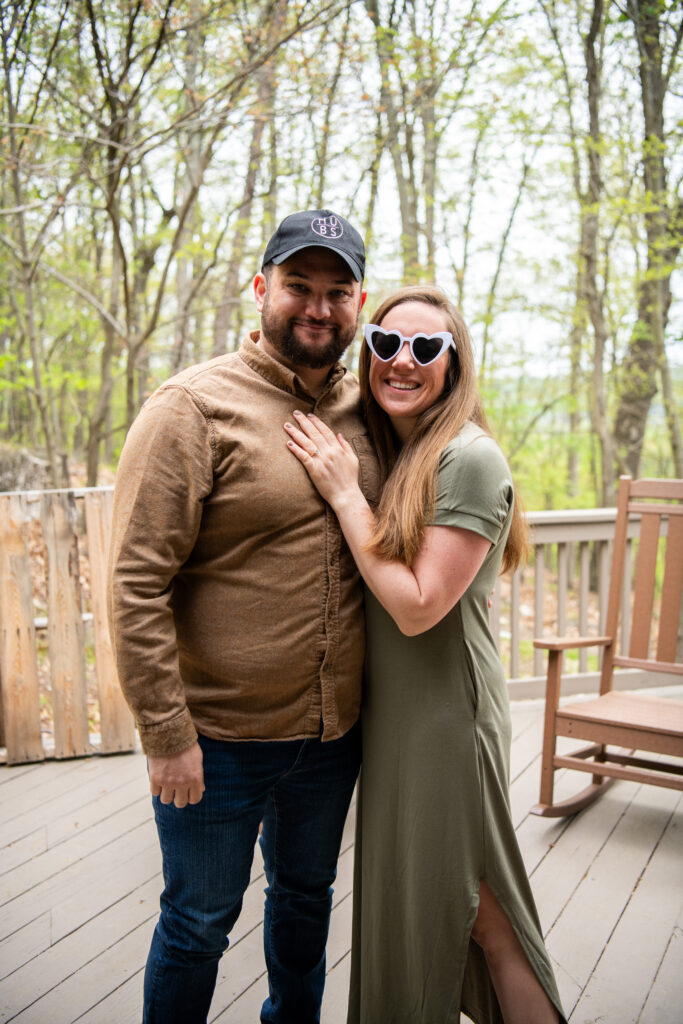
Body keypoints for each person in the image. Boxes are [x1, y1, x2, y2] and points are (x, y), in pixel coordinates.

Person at [107, 209, 379, 1024]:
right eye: (299, 285)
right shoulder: (189, 407)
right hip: (216, 741)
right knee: (197, 923)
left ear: (358, 303)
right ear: (261, 288)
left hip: (331, 737)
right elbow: (133, 583)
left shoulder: (366, 412)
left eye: (337, 292)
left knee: (305, 901)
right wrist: (166, 734)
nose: (317, 307)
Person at [284, 284, 566, 1024]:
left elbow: (416, 607)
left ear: (454, 362)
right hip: (401, 723)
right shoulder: (406, 452)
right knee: (456, 906)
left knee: (483, 912)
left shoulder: (468, 459)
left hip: (448, 722)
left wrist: (347, 497)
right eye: (383, 344)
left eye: (424, 347)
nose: (400, 360)